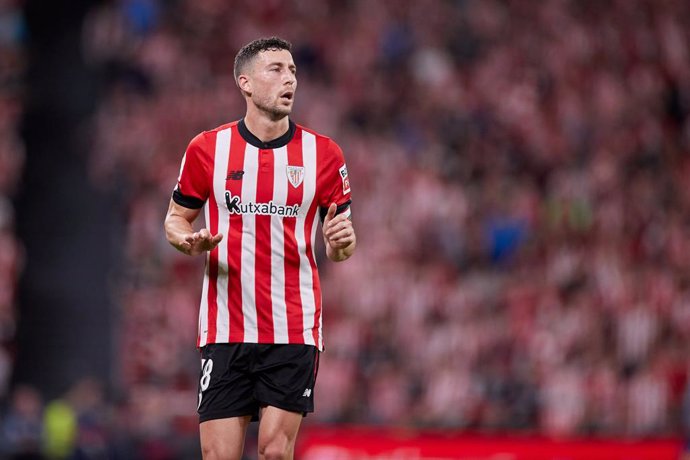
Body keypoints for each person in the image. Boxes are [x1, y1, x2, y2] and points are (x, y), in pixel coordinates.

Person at [163, 37, 356, 460]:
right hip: (225, 326)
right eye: (276, 70)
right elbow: (176, 220)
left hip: (293, 326)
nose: (289, 79)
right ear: (245, 83)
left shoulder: (323, 154)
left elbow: (341, 242)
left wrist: (342, 243)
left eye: (293, 71)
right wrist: (187, 241)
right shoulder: (207, 149)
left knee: (273, 450)